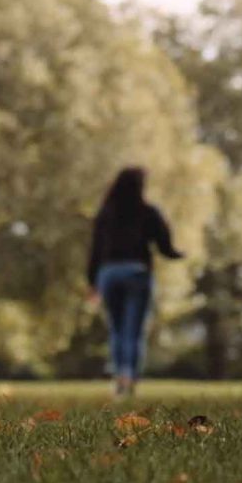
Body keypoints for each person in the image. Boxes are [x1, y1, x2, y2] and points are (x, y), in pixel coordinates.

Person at [88, 167, 183, 397]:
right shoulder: (147, 212)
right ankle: (129, 376)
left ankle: (119, 375)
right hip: (137, 272)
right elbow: (164, 244)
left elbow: (96, 250)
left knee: (117, 329)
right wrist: (176, 254)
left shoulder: (106, 213)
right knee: (133, 330)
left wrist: (92, 282)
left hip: (109, 274)